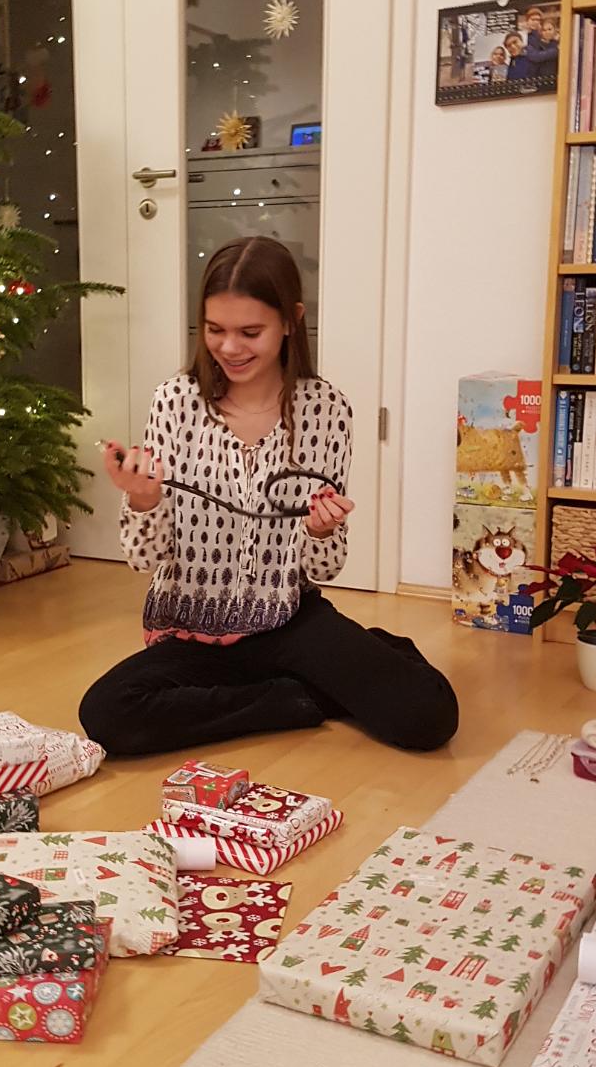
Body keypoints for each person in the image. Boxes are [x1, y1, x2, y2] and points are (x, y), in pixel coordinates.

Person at [79, 237, 459, 758]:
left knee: (428, 716)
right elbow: (145, 558)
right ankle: (293, 699)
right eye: (215, 329)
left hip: (288, 620)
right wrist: (144, 502)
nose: (229, 348)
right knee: (107, 714)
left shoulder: (326, 409)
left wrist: (321, 530)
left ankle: (336, 665)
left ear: (291, 321)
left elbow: (324, 568)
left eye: (250, 332)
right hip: (191, 630)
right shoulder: (174, 401)